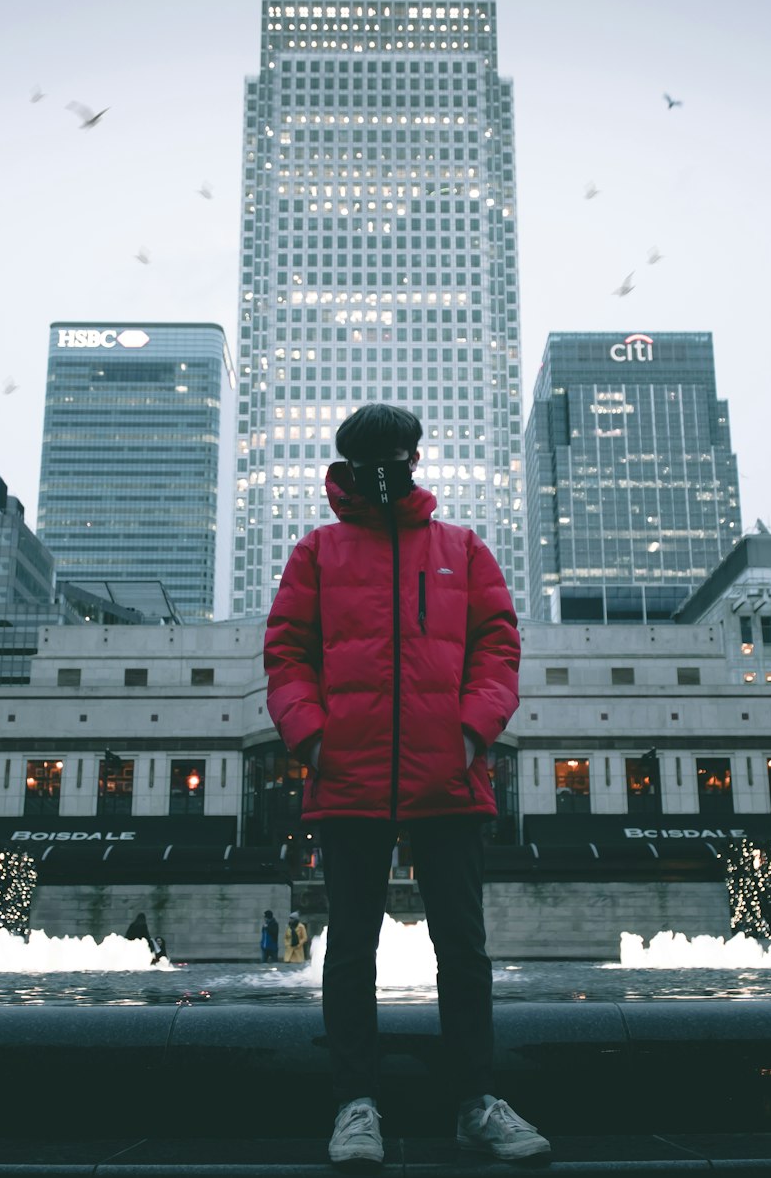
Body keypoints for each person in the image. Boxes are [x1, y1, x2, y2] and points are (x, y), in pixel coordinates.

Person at [265, 404, 550, 1169]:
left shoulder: (462, 548)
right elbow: (287, 654)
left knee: (463, 945)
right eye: (377, 456)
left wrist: (470, 731)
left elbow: (499, 645)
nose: (393, 467)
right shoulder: (316, 552)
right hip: (349, 776)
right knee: (350, 946)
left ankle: (476, 1100)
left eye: (401, 453)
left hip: (447, 776)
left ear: (416, 457)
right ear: (350, 464)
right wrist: (314, 738)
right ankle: (355, 1102)